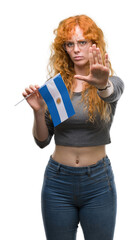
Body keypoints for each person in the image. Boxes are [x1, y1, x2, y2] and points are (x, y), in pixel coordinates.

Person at [22, 15, 124, 240]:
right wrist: (38, 112)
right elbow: (42, 141)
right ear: (64, 48)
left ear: (93, 44)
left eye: (82, 42)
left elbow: (111, 93)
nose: (76, 49)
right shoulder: (56, 87)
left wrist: (102, 84)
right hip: (58, 182)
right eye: (70, 44)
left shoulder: (110, 82)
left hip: (97, 182)